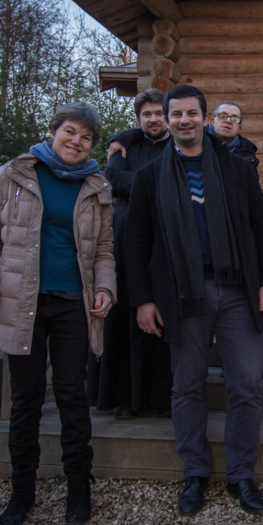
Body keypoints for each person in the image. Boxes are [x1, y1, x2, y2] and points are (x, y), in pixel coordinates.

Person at [123, 85, 263, 517]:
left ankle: (241, 474)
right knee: (187, 386)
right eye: (177, 114)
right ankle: (194, 471)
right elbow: (135, 243)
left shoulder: (237, 169)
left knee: (247, 383)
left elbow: (261, 228)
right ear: (168, 119)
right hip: (181, 295)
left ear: (205, 118)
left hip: (236, 291)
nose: (185, 120)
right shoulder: (149, 176)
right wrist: (142, 300)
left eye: (193, 113)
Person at [0, 102, 115, 525]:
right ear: (52, 131)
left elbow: (104, 250)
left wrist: (105, 288)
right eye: (70, 131)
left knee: (72, 396)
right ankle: (21, 492)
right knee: (27, 399)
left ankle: (78, 490)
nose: (76, 141)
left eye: (86, 137)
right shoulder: (14, 174)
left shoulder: (96, 185)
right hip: (21, 303)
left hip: (73, 303)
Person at [91, 89, 171, 421]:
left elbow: (133, 182)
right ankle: (125, 398)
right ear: (138, 119)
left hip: (165, 242)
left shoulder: (178, 146)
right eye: (146, 115)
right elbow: (112, 179)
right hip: (125, 241)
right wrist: (155, 181)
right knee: (124, 320)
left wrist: (135, 181)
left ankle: (162, 399)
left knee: (163, 317)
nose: (153, 119)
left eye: (158, 113)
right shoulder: (126, 146)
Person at [207, 101, 260, 169]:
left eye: (234, 119)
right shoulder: (198, 142)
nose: (228, 121)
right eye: (223, 116)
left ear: (239, 128)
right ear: (212, 121)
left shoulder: (247, 151)